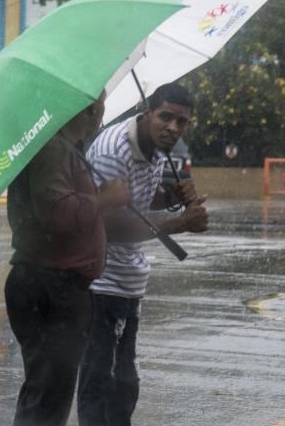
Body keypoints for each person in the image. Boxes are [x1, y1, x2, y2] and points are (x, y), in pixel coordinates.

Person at [77, 83, 208, 426]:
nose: (173, 128)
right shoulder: (113, 150)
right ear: (147, 112)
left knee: (124, 386)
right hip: (101, 284)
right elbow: (109, 225)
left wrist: (170, 197)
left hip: (129, 283)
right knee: (100, 384)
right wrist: (180, 222)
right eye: (165, 117)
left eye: (182, 122)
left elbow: (134, 204)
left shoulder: (154, 149)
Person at [5, 91, 131, 426]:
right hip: (52, 286)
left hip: (56, 285)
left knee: (45, 390)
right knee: (49, 395)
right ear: (92, 108)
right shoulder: (52, 148)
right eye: (102, 101)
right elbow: (58, 214)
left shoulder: (66, 149)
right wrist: (105, 199)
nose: (104, 109)